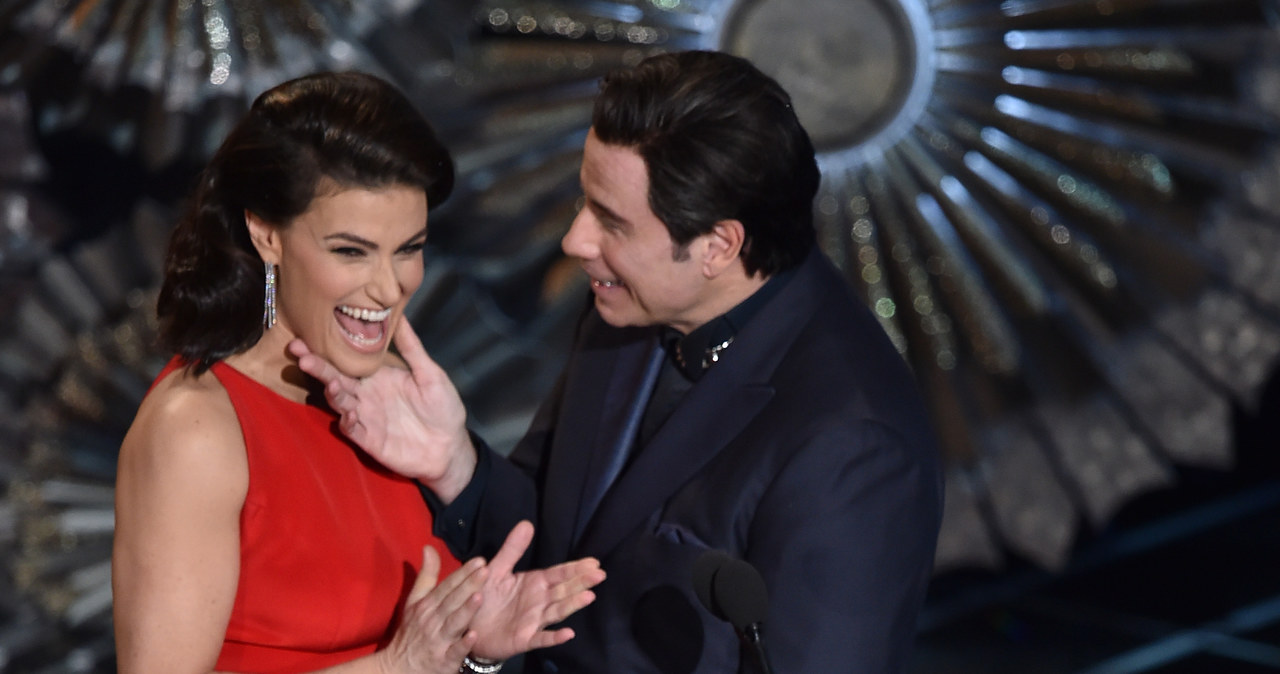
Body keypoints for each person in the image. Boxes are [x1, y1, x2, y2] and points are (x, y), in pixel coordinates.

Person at [295, 51, 944, 673]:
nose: (577, 240)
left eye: (612, 221)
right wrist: (455, 462)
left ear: (717, 245)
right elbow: (560, 546)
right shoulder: (629, 307)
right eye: (584, 202)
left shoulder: (854, 447)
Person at [111, 71, 605, 674]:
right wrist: (398, 667)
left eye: (408, 248)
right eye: (351, 251)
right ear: (267, 234)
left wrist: (472, 651)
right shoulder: (196, 429)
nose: (389, 286)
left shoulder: (384, 393)